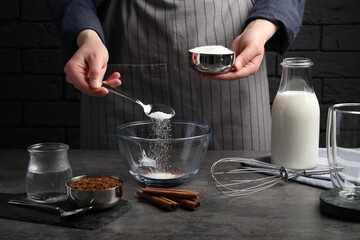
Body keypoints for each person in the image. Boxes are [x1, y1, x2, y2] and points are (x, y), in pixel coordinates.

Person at [48, 0, 305, 150]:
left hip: (234, 62)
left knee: (243, 207)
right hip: (124, 52)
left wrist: (260, 29)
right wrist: (86, 34)